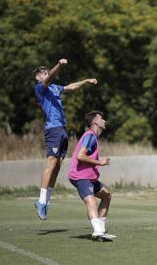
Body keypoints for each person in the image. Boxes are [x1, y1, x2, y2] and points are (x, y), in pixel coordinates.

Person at [34, 59, 98, 220]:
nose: (47, 73)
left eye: (47, 71)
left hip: (62, 130)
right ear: (38, 77)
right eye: (43, 72)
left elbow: (70, 87)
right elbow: (49, 79)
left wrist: (85, 81)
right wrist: (60, 65)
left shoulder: (55, 87)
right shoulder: (40, 88)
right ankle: (41, 201)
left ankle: (46, 202)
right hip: (53, 130)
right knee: (51, 163)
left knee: (57, 165)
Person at [68, 111, 115, 241]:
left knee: (107, 195)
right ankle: (98, 231)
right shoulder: (89, 135)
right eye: (101, 118)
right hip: (80, 176)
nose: (104, 121)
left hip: (89, 177)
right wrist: (99, 162)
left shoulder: (93, 137)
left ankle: (101, 230)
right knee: (92, 201)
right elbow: (81, 156)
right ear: (95, 122)